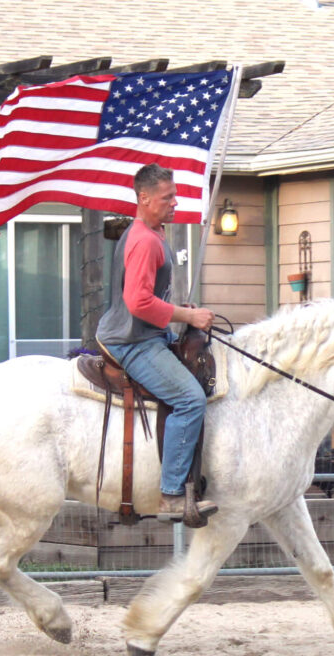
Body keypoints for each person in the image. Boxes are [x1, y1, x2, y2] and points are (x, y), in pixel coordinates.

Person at [96, 163, 218, 524]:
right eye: (167, 197)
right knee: (190, 399)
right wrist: (188, 317)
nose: (175, 202)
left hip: (146, 333)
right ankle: (171, 495)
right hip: (133, 342)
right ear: (144, 198)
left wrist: (180, 312)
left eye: (174, 195)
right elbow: (138, 303)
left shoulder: (152, 232)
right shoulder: (145, 241)